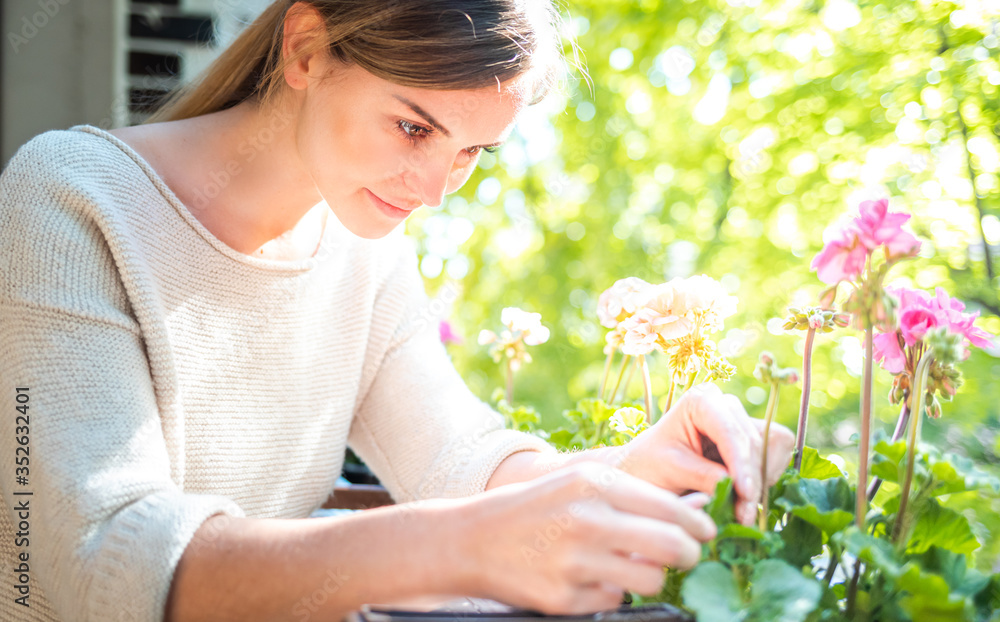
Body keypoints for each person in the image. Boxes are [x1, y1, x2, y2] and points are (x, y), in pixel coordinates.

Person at [0, 1, 794, 621]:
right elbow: (94, 557)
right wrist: (458, 547)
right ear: (306, 49)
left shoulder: (362, 245)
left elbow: (461, 459)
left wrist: (639, 467)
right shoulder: (71, 199)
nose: (436, 188)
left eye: (471, 153)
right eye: (414, 127)